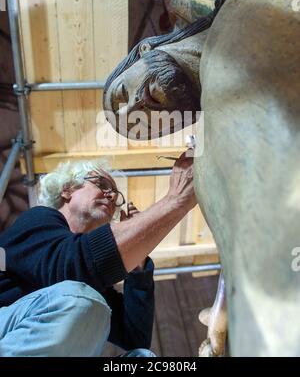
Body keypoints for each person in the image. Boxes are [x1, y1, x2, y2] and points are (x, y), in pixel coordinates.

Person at [0, 151, 196, 357]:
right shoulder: (37, 219)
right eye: (101, 184)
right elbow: (71, 267)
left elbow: (135, 336)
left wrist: (138, 263)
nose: (111, 195)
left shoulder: (87, 282)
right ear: (67, 190)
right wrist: (176, 200)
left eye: (115, 194)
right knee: (81, 298)